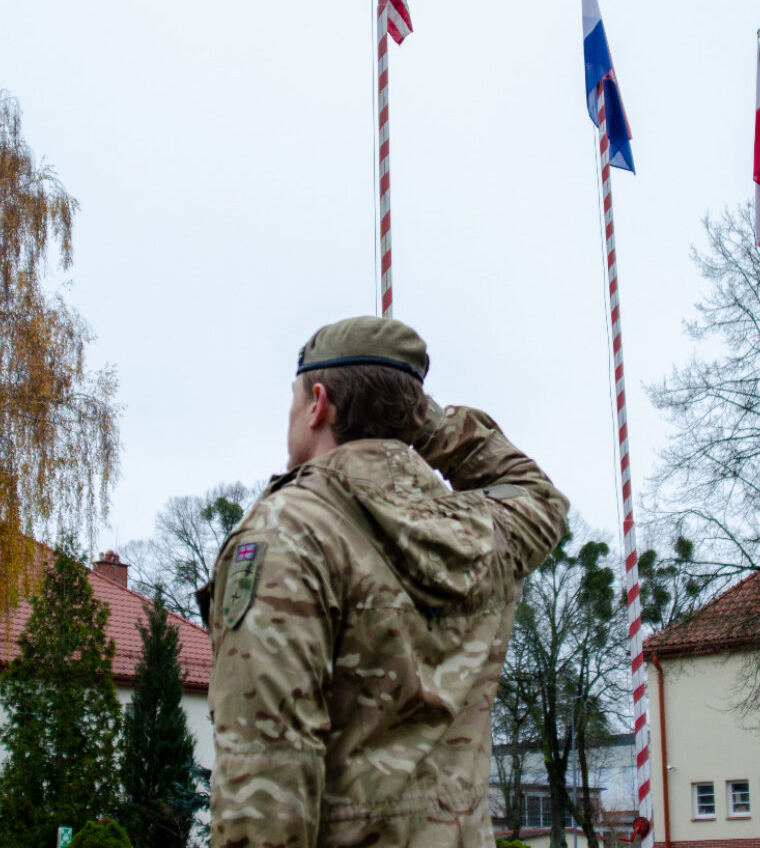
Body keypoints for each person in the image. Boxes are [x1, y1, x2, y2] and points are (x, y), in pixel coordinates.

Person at [199, 316, 569, 847]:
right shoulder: (485, 533)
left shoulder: (289, 533)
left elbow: (266, 780)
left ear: (317, 403)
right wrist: (420, 421)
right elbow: (536, 495)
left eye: (294, 399)